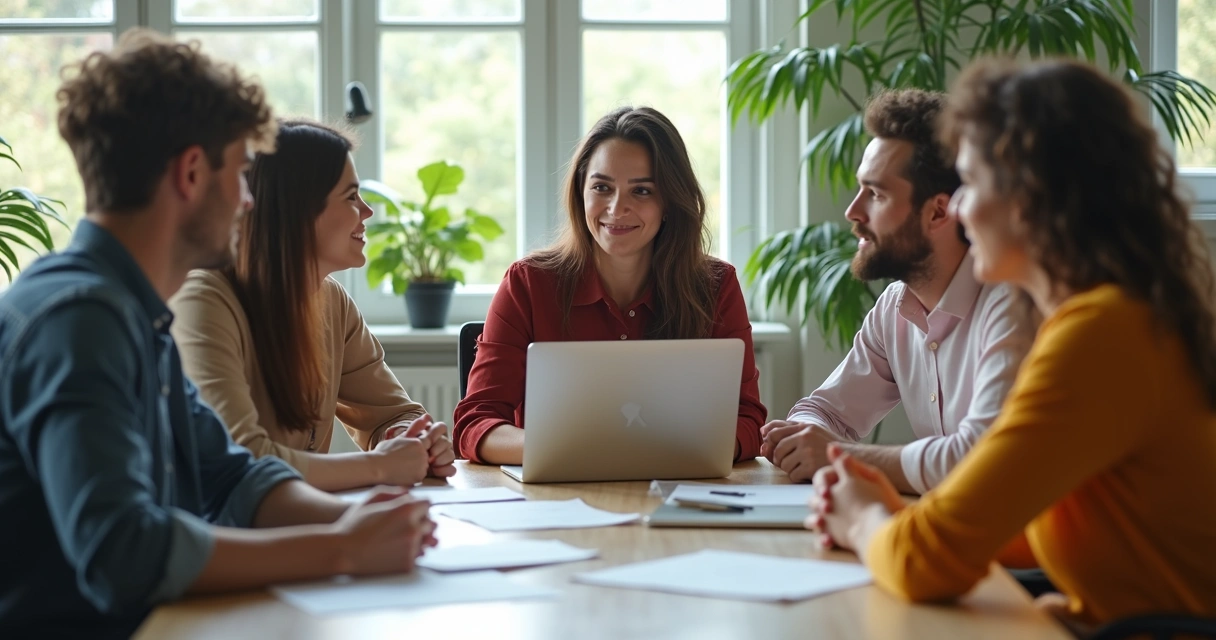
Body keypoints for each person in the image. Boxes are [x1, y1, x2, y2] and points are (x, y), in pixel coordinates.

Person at [0, 30, 435, 638]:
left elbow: (232, 474)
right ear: (192, 173)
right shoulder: (79, 320)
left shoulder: (131, 308)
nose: (250, 201)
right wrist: (340, 551)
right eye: (242, 175)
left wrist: (353, 520)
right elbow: (124, 552)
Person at [807, 58, 1216, 633]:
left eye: (971, 183)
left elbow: (922, 564)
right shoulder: (1105, 319)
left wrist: (864, 520)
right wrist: (904, 514)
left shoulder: (1098, 335)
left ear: (1028, 199)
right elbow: (1049, 524)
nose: (962, 210)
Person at [452, 106, 767, 465]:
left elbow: (748, 422)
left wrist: (656, 453)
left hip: (675, 488)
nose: (617, 208)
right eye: (602, 187)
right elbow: (475, 424)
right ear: (580, 192)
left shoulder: (715, 286)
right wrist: (570, 451)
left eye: (642, 191)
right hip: (553, 501)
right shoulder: (527, 283)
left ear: (669, 201)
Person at [760, 89, 1033, 493]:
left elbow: (983, 459)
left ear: (939, 211)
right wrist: (804, 437)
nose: (852, 212)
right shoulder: (896, 306)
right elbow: (826, 411)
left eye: (876, 194)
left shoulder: (1012, 303)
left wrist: (838, 455)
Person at [169, 119, 455, 492]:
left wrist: (412, 438)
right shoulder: (202, 299)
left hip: (294, 524)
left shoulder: (332, 300)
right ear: (297, 209)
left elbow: (393, 414)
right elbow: (243, 459)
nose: (367, 212)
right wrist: (380, 466)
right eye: (351, 197)